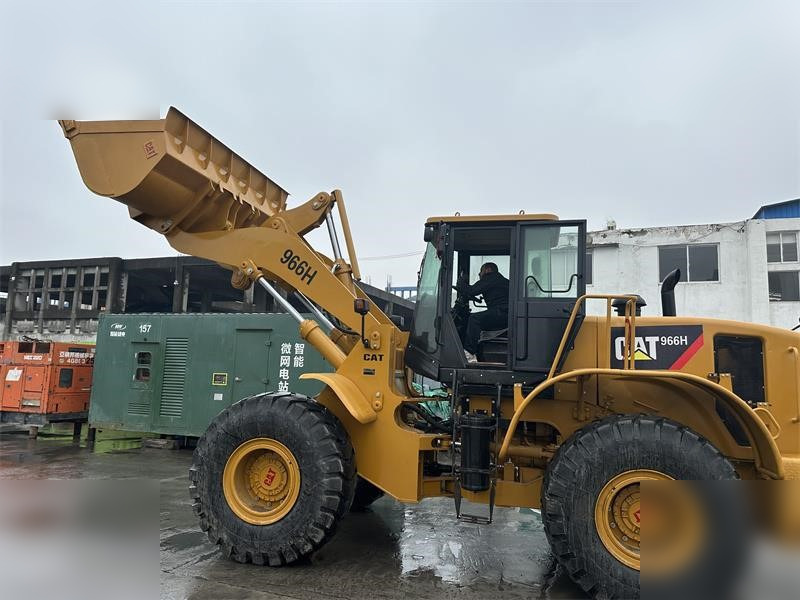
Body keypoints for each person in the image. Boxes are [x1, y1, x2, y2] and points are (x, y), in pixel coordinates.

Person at [462, 262, 509, 362]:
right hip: (504, 313)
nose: (479, 274)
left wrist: (461, 282)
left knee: (474, 319)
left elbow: (472, 290)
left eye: (480, 271)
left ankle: (469, 352)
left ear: (488, 270)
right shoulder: (499, 280)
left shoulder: (491, 278)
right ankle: (478, 350)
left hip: (501, 313)